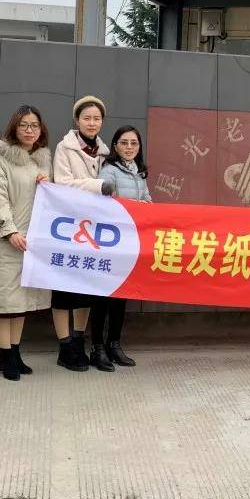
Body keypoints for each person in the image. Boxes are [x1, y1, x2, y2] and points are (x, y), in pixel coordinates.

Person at [0, 105, 53, 381]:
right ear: (14, 127)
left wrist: (48, 185)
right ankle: (5, 355)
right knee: (3, 303)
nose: (30, 130)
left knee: (21, 302)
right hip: (5, 241)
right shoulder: (0, 160)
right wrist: (9, 231)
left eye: (34, 125)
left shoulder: (42, 162)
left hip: (32, 243)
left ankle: (15, 352)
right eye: (24, 125)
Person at [51, 95, 115, 371]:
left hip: (95, 230)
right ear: (77, 120)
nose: (92, 123)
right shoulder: (64, 148)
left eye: (97, 118)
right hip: (68, 227)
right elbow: (62, 183)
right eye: (86, 118)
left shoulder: (105, 152)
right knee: (63, 289)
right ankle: (65, 347)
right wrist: (97, 186)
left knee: (87, 287)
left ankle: (78, 340)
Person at [94, 125, 152, 371]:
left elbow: (148, 202)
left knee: (121, 296)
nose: (129, 147)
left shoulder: (139, 173)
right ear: (115, 146)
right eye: (124, 143)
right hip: (110, 243)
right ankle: (97, 348)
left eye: (134, 143)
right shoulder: (109, 170)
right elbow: (103, 199)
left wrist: (145, 206)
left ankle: (114, 345)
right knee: (102, 297)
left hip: (130, 244)